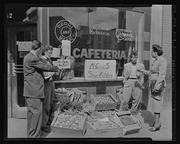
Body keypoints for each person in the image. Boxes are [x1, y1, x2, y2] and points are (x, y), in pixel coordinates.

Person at [23, 40, 60, 138]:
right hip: (34, 91)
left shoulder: (28, 56)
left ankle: (30, 135)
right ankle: (34, 137)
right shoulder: (33, 58)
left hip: (30, 91)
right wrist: (57, 67)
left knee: (32, 115)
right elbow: (45, 67)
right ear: (39, 49)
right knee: (37, 114)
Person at [141, 44, 167, 132]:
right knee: (155, 103)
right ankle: (157, 122)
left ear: (156, 52)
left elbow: (162, 75)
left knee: (157, 104)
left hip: (158, 85)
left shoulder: (162, 60)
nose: (151, 53)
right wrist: (144, 72)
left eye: (152, 51)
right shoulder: (156, 60)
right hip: (153, 84)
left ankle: (156, 125)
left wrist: (157, 86)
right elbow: (153, 72)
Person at [40, 46, 57, 133]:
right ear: (44, 52)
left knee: (50, 103)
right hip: (46, 83)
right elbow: (45, 75)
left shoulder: (48, 60)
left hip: (51, 83)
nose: (51, 54)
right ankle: (43, 125)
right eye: (49, 53)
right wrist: (54, 71)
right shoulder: (42, 60)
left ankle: (48, 122)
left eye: (51, 53)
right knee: (46, 104)